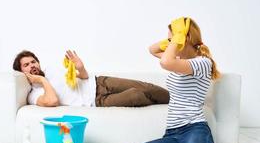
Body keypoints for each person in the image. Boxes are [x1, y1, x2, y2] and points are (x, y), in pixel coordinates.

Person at [133, 17, 260, 143]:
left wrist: (178, 37)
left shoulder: (202, 63)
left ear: (184, 38)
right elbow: (152, 49)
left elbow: (165, 61)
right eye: (170, 39)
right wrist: (173, 38)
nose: (171, 43)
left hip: (194, 130)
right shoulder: (179, 62)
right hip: (172, 133)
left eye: (174, 38)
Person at [12, 50, 169, 107]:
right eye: (26, 65)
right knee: (136, 95)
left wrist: (80, 67)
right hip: (96, 102)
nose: (32, 65)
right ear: (21, 71)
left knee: (145, 87)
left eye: (33, 61)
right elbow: (53, 101)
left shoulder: (51, 69)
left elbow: (83, 77)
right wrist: (42, 81)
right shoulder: (34, 95)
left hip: (99, 82)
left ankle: (177, 99)